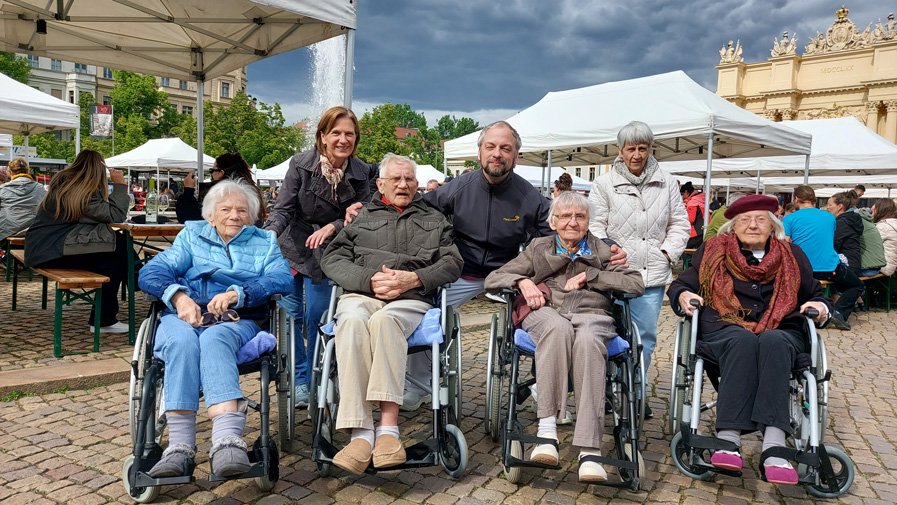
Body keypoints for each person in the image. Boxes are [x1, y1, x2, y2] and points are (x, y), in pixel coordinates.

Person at [397, 120, 627, 410]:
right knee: (425, 311)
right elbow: (420, 207)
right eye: (490, 147)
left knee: (545, 311)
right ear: (479, 152)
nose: (497, 153)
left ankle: (544, 384)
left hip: (510, 273)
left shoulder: (528, 196)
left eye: (505, 148)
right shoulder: (459, 187)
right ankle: (420, 385)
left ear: (516, 155)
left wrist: (607, 244)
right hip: (461, 272)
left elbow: (567, 226)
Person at [667, 194, 831, 486]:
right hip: (725, 325)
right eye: (745, 220)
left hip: (781, 329)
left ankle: (774, 444)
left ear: (773, 226)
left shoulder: (793, 256)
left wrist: (819, 308)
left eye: (760, 220)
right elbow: (682, 284)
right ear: (733, 225)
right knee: (742, 340)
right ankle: (729, 436)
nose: (752, 225)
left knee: (773, 341)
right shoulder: (713, 251)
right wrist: (684, 295)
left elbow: (815, 294)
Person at [137, 180, 293, 478]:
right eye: (226, 209)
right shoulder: (191, 237)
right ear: (211, 215)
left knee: (215, 337)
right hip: (184, 317)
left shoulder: (264, 242)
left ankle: (226, 441)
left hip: (236, 319)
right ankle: (179, 447)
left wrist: (238, 293)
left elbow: (280, 279)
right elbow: (151, 272)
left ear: (252, 215)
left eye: (242, 210)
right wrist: (178, 296)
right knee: (181, 342)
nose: (234, 216)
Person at [484, 191, 644, 482]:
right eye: (565, 216)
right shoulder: (539, 247)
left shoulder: (603, 251)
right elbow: (494, 278)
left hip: (592, 316)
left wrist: (592, 277)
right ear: (553, 221)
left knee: (587, 341)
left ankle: (590, 450)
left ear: (588, 221)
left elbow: (635, 283)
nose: (573, 222)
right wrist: (522, 282)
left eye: (579, 216)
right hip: (547, 311)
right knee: (556, 328)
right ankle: (547, 432)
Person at [319, 154, 462, 475]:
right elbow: (332, 259)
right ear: (380, 184)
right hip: (362, 293)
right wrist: (367, 279)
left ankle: (387, 430)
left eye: (409, 179)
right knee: (352, 321)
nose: (403, 184)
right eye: (396, 179)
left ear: (417, 183)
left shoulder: (434, 218)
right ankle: (360, 433)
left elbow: (453, 262)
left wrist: (414, 279)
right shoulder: (362, 217)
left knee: (385, 321)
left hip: (409, 297)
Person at [264, 106, 372, 408]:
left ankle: (317, 373)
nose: (342, 139)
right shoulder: (301, 164)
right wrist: (270, 233)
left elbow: (363, 213)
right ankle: (299, 380)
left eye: (349, 133)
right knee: (291, 316)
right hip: (294, 247)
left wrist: (335, 224)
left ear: (356, 138)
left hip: (331, 252)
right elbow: (284, 208)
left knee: (319, 317)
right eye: (336, 132)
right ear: (322, 136)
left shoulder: (363, 172)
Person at [588, 120, 690, 417]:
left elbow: (680, 224)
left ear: (650, 149)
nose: (636, 154)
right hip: (615, 272)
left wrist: (667, 252)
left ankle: (635, 391)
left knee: (644, 336)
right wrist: (609, 249)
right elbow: (594, 225)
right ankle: (609, 389)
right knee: (608, 332)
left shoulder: (667, 182)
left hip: (651, 275)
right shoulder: (604, 184)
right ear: (620, 151)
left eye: (642, 148)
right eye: (630, 148)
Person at [24, 150, 130, 333]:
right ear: (97, 170)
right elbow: (115, 215)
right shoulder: (83, 192)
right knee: (116, 252)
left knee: (116, 249)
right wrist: (120, 186)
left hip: (44, 248)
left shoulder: (66, 185)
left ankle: (108, 314)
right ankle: (105, 319)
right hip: (52, 250)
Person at [783, 186, 860, 330]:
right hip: (829, 267)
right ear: (814, 200)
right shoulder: (829, 217)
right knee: (856, 285)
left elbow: (784, 243)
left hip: (803, 269)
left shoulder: (790, 219)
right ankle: (838, 312)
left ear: (796, 199)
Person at [176, 153, 265, 224]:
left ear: (221, 173)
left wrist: (188, 190)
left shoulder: (221, 192)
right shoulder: (252, 191)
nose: (211, 175)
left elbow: (190, 218)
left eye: (212, 171)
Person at [0, 157, 46, 241]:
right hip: (34, 234)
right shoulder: (40, 188)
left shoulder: (2, 189)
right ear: (27, 171)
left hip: (7, 235)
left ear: (9, 172)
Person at [873, 198, 897, 277]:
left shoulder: (883, 227)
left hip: (885, 267)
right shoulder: (893, 223)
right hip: (893, 265)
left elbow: (870, 245)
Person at [680, 181, 705, 249]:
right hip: (703, 230)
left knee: (682, 247)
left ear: (686, 192)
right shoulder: (699, 199)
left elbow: (690, 219)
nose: (682, 197)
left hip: (696, 232)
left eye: (682, 194)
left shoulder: (692, 203)